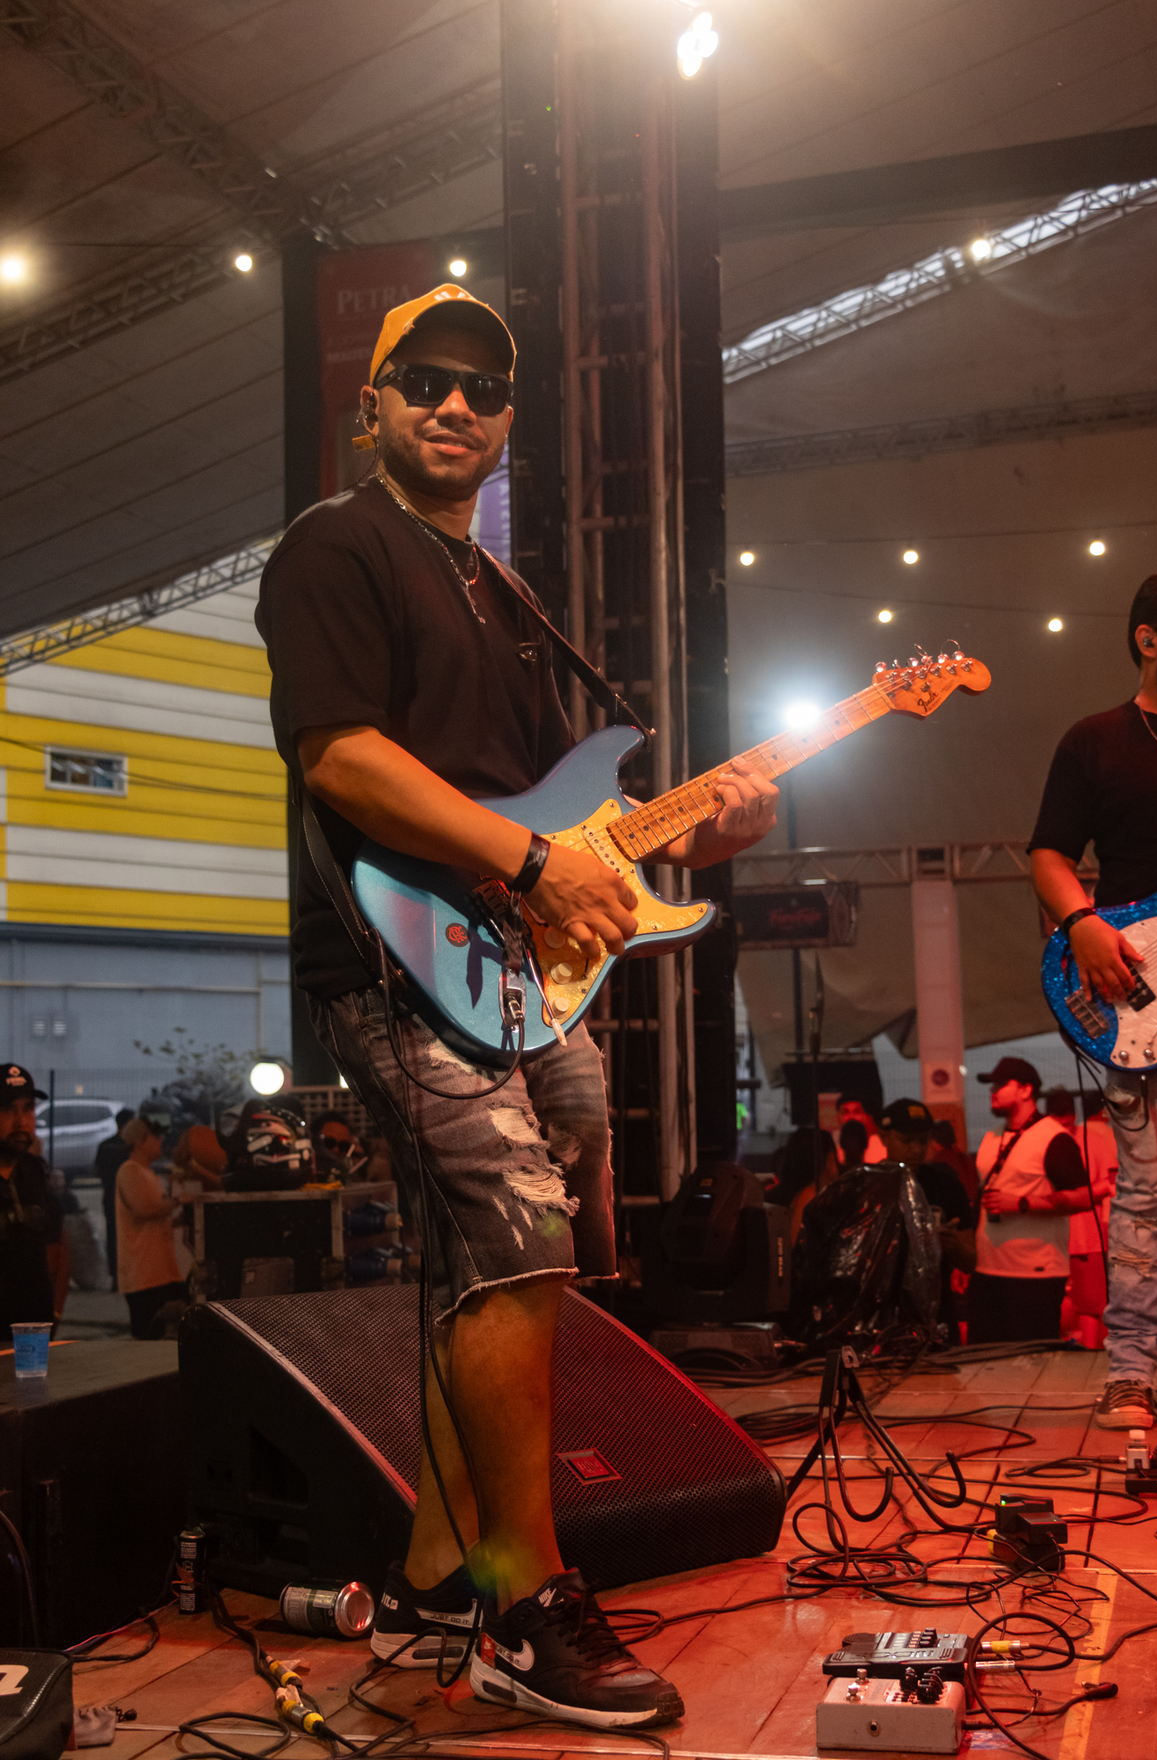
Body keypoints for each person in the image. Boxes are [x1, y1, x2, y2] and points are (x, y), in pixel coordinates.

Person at [255, 284, 778, 1731]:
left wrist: (701, 836)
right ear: (371, 403)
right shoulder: (336, 545)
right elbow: (341, 757)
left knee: (502, 1257)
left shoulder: (509, 594)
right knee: (517, 1233)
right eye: (423, 379)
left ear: (505, 424)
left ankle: (440, 1567)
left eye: (483, 389)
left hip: (514, 962)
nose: (455, 405)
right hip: (395, 953)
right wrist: (535, 862)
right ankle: (524, 1607)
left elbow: (579, 817)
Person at [1030, 569, 1157, 1427]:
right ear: (1148, 639)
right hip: (1146, 996)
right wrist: (1085, 924)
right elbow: (1049, 853)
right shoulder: (1095, 741)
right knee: (1148, 1192)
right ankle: (1130, 1378)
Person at [968, 1058, 1098, 1345]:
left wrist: (1021, 1204)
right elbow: (981, 1201)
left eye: (1001, 1084)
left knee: (1030, 1361)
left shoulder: (1053, 1137)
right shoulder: (991, 1137)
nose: (993, 1091)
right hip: (986, 1270)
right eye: (992, 1085)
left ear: (1026, 1090)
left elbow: (1084, 1197)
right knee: (981, 1359)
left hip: (1035, 1274)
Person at [877, 1098, 975, 1337]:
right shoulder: (869, 1186)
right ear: (884, 1137)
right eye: (906, 1141)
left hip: (938, 1314)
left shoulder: (947, 1186)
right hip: (882, 1315)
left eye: (922, 1141)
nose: (915, 1150)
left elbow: (969, 1261)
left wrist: (952, 1245)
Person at [1043, 1088, 1118, 1350]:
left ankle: (1088, 1353)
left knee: (1090, 1304)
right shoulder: (1045, 1141)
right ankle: (1081, 1350)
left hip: (1083, 1238)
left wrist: (1080, 1196)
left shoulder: (1091, 1139)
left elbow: (1110, 1183)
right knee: (1070, 1302)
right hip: (1059, 1237)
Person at [0, 1065, 59, 1345]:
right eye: (8, 1110)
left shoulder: (33, 1171)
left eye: (28, 1109)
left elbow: (53, 1246)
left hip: (32, 1336)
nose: (21, 1122)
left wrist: (54, 1310)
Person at [115, 1117, 184, 1339]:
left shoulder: (148, 1173)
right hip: (143, 1276)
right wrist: (179, 1200)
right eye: (155, 1136)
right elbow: (143, 1209)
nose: (160, 1140)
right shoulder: (130, 1171)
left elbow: (155, 1218)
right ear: (139, 1141)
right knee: (148, 1340)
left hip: (159, 1272)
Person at [94, 1106, 136, 1286]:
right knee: (129, 1237)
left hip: (110, 1197)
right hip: (129, 1199)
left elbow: (98, 1169)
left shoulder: (105, 1145)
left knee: (112, 1237)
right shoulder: (131, 1148)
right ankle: (128, 1274)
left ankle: (115, 1277)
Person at [835, 1094, 887, 1166]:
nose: (851, 1117)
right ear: (837, 1118)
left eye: (857, 1112)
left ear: (866, 1116)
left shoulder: (883, 1147)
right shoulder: (834, 1152)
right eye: (846, 1112)